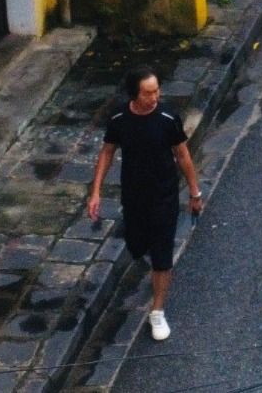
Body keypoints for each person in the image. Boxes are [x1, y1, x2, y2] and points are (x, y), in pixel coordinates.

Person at [87, 66, 203, 343]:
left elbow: (183, 155)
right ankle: (150, 261)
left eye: (157, 91)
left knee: (162, 256)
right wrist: (96, 192)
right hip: (134, 196)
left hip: (164, 196)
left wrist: (194, 193)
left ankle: (157, 310)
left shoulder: (167, 118)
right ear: (135, 94)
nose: (155, 97)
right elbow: (107, 152)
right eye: (148, 92)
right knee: (137, 245)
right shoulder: (119, 118)